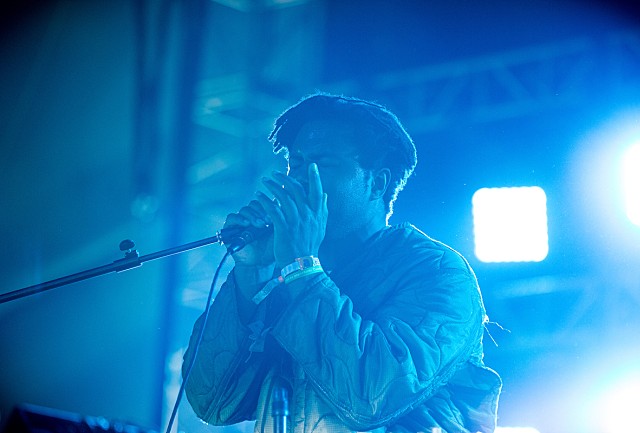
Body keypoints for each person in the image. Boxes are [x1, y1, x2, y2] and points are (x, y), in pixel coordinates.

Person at [182, 93, 502, 433]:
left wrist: (300, 266)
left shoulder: (438, 272)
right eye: (297, 163)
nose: (299, 179)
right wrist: (250, 275)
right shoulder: (285, 279)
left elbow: (371, 398)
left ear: (377, 183)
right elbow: (212, 403)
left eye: (322, 164)